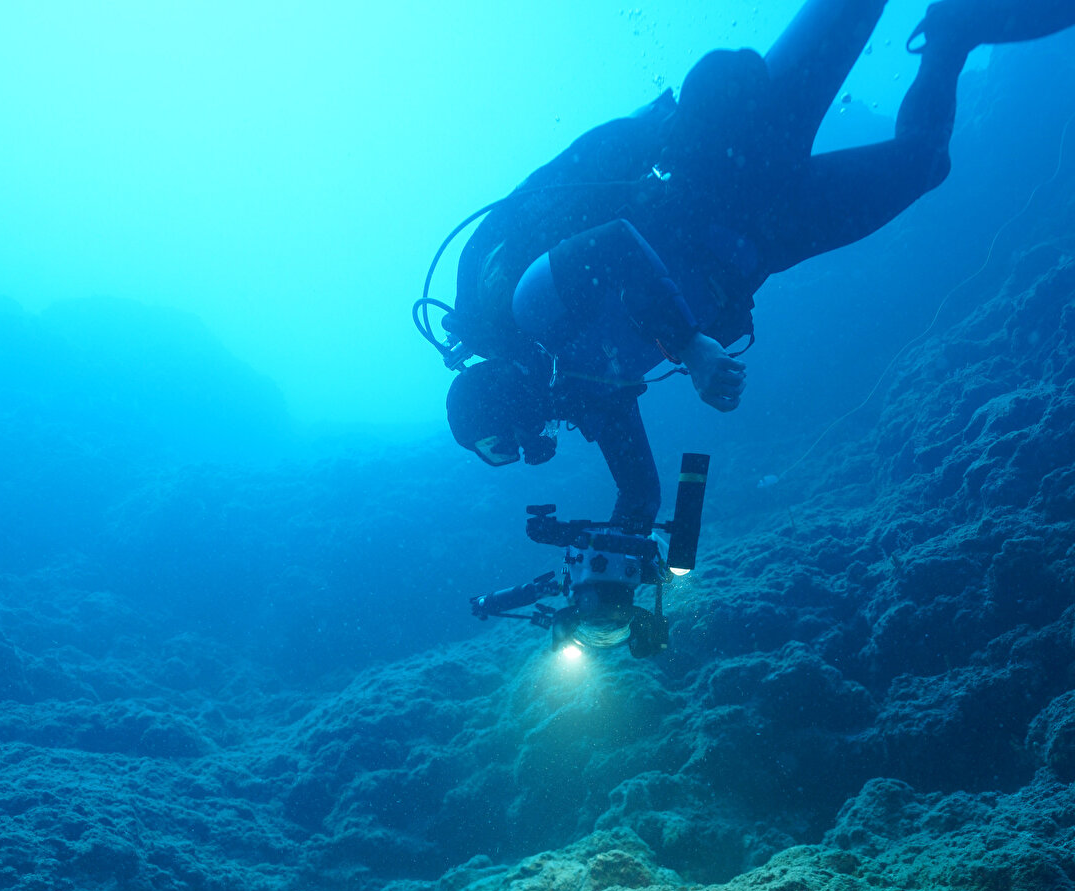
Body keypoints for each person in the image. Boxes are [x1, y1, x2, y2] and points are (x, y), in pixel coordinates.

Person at [442, 0, 1075, 532]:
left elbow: (609, 242)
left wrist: (690, 346)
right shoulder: (594, 395)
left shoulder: (530, 308)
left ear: (496, 400)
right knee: (924, 163)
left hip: (726, 163)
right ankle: (952, 31)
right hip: (762, 244)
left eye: (497, 446)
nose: (520, 453)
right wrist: (609, 561)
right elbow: (641, 495)